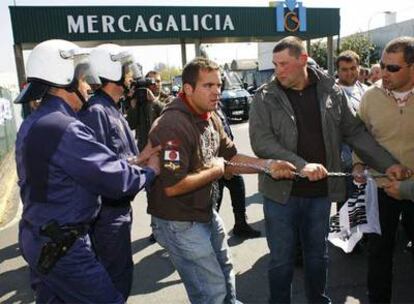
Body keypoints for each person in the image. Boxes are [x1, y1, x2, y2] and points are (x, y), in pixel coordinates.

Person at [248, 36, 409, 304]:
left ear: (302, 60)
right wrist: (302, 165)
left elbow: (355, 132)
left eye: (284, 64)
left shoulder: (330, 91)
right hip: (280, 195)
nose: (278, 70)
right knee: (281, 261)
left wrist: (387, 164)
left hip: (320, 194)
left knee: (317, 257)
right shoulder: (265, 97)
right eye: (275, 64)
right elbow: (262, 142)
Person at [15, 39, 160, 303]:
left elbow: (87, 167)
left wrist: (134, 162)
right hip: (63, 246)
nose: (87, 86)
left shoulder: (34, 123)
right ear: (64, 79)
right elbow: (115, 180)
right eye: (82, 79)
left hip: (41, 238)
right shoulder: (64, 127)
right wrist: (150, 170)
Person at [148, 57, 297, 304]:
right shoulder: (172, 125)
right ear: (188, 89)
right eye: (208, 86)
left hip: (204, 211)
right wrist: (216, 171)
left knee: (225, 271)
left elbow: (231, 157)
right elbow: (173, 186)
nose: (217, 91)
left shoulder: (211, 115)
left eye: (219, 85)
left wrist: (268, 166)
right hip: (180, 222)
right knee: (212, 292)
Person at [79, 44, 159, 301]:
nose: (131, 76)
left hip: (118, 212)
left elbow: (114, 160)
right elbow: (102, 172)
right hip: (107, 218)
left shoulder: (112, 108)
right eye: (126, 70)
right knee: (114, 282)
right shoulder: (95, 112)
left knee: (121, 277)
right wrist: (147, 170)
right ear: (111, 71)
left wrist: (140, 157)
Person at [353, 36, 414, 303]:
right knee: (378, 254)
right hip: (380, 188)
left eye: (393, 68)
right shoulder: (370, 97)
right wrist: (357, 163)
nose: (384, 73)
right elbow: (359, 136)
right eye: (382, 65)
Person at [214, 104, 261, 238]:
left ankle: (240, 225)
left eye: (219, 85)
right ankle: (208, 235)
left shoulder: (218, 106)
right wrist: (224, 168)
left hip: (227, 159)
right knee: (214, 203)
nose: (217, 90)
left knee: (238, 186)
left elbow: (225, 131)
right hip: (216, 165)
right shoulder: (203, 109)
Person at [127, 70, 167, 151]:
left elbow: (170, 116)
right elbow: (131, 125)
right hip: (143, 150)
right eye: (152, 81)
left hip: (163, 149)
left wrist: (155, 102)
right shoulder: (140, 102)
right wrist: (133, 107)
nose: (156, 84)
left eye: (158, 81)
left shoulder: (168, 100)